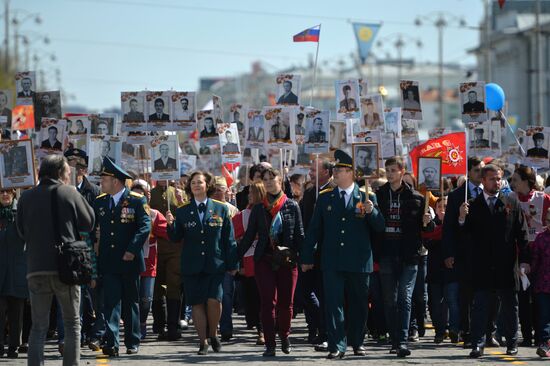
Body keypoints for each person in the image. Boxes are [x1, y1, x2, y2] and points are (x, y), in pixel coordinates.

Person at [302, 150, 385, 359]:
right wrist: (306, 256)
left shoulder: (367, 196)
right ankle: (337, 344)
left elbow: (380, 227)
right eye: (335, 169)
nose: (335, 173)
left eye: (340, 169)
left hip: (359, 260)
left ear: (352, 173)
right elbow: (314, 230)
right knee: (333, 304)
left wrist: (372, 211)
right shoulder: (325, 197)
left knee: (358, 304)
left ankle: (357, 341)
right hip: (332, 260)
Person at [16, 154, 95, 366]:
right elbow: (89, 222)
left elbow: (21, 231)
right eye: (68, 172)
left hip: (35, 268)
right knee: (72, 324)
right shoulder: (68, 192)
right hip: (65, 268)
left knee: (38, 327)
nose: (70, 175)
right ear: (60, 173)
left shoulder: (26, 197)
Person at [458, 164, 529, 358]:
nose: (497, 182)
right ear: (483, 181)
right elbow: (464, 236)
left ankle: (512, 342)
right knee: (480, 306)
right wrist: (462, 219)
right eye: (492, 179)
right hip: (482, 265)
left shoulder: (511, 202)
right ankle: (478, 343)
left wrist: (524, 261)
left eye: (499, 178)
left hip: (506, 264)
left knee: (509, 306)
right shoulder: (473, 204)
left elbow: (521, 233)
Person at [165, 171, 238, 355]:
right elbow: (175, 237)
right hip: (192, 265)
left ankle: (213, 334)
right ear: (190, 187)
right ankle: (203, 341)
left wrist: (233, 264)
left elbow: (229, 239)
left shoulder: (221, 209)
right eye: (193, 183)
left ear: (207, 185)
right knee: (196, 303)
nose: (196, 185)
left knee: (214, 300)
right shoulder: (182, 211)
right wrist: (170, 224)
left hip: (215, 263)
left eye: (200, 182)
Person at [239, 167, 304, 357]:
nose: (268, 182)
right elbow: (249, 236)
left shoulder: (292, 205)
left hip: (287, 260)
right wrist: (234, 258)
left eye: (271, 178)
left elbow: (299, 234)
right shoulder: (259, 208)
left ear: (280, 180)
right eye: (265, 179)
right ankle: (270, 343)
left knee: (286, 303)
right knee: (268, 302)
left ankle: (284, 336)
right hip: (264, 260)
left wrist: (306, 257)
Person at [375, 156, 433, 357]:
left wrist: (427, 221)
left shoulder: (416, 197)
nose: (390, 173)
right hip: (387, 252)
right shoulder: (378, 195)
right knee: (389, 299)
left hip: (409, 254)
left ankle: (402, 340)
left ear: (402, 171)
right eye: (387, 170)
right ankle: (394, 338)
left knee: (404, 298)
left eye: (393, 170)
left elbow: (427, 228)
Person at [93, 157, 151, 357]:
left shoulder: (136, 199)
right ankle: (112, 342)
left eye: (104, 179)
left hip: (129, 260)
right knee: (110, 302)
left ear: (115, 181)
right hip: (108, 260)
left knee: (130, 302)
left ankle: (132, 340)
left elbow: (145, 227)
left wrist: (132, 249)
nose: (101, 183)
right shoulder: (100, 201)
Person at [443, 157, 495, 349]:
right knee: (466, 296)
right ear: (468, 172)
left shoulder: (490, 192)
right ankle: (467, 332)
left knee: (488, 295)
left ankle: (488, 332)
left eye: (482, 170)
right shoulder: (457, 195)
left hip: (486, 254)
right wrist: (448, 253)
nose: (480, 174)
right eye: (476, 170)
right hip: (464, 254)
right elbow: (448, 227)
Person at [509, 165, 550, 346]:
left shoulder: (543, 199)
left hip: (542, 254)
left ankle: (541, 333)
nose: (512, 183)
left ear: (525, 181)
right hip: (520, 253)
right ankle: (526, 335)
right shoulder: (510, 199)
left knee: (540, 296)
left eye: (515, 180)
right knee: (523, 296)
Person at [299, 158, 336, 351]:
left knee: (325, 294)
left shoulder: (333, 192)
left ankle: (326, 332)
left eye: (315, 169)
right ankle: (316, 326)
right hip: (309, 253)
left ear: (327, 172)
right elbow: (307, 225)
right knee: (305, 292)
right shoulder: (308, 193)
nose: (311, 173)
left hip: (327, 253)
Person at [130, 180, 168, 340]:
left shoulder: (154, 214)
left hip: (149, 262)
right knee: (132, 298)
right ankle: (133, 326)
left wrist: (171, 221)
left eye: (142, 194)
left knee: (146, 299)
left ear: (148, 196)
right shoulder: (126, 212)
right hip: (130, 261)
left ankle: (142, 322)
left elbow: (168, 233)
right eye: (135, 194)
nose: (139, 196)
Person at [232, 182, 266, 346]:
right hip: (249, 263)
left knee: (266, 299)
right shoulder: (241, 216)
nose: (249, 196)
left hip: (267, 261)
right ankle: (261, 331)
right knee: (254, 300)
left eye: (252, 193)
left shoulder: (271, 211)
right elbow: (236, 241)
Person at [422, 197, 460, 344]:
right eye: (440, 206)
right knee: (436, 303)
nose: (442, 209)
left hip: (451, 269)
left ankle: (454, 329)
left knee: (452, 299)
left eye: (446, 206)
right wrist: (429, 226)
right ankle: (439, 331)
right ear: (435, 209)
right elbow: (427, 241)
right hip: (435, 268)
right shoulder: (431, 224)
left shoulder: (455, 223)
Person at [149, 181, 184, 341]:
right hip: (156, 246)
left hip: (175, 247)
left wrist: (181, 200)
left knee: (174, 286)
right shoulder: (151, 193)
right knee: (156, 287)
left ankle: (173, 326)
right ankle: (159, 324)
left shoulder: (179, 193)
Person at [0, 188, 27, 359]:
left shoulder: (20, 214)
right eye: (1, 192)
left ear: (14, 194)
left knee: (16, 312)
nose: (5, 195)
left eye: (8, 192)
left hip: (17, 269)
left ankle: (14, 346)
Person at [531, 208, 550, 358]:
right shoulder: (541, 238)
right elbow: (535, 260)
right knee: (544, 316)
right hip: (543, 284)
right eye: (548, 220)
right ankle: (544, 343)